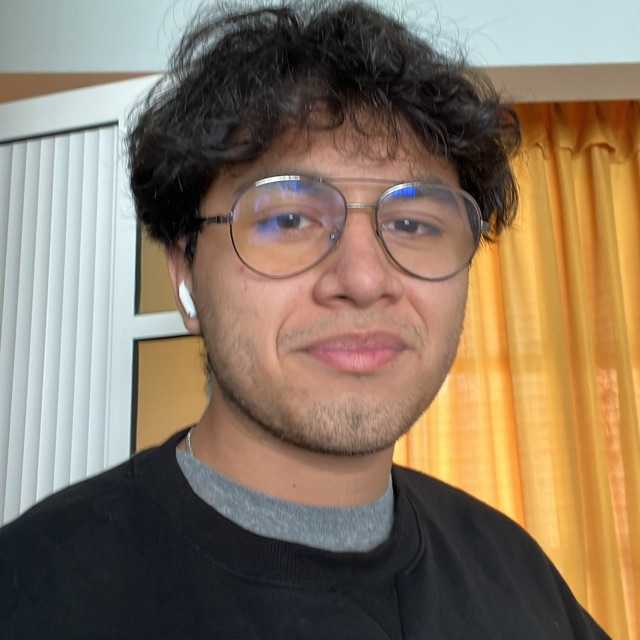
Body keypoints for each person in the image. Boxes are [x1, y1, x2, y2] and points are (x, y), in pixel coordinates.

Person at [0, 2, 610, 638]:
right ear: (185, 272)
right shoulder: (33, 593)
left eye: (412, 223)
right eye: (289, 219)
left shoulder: (518, 577)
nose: (364, 280)